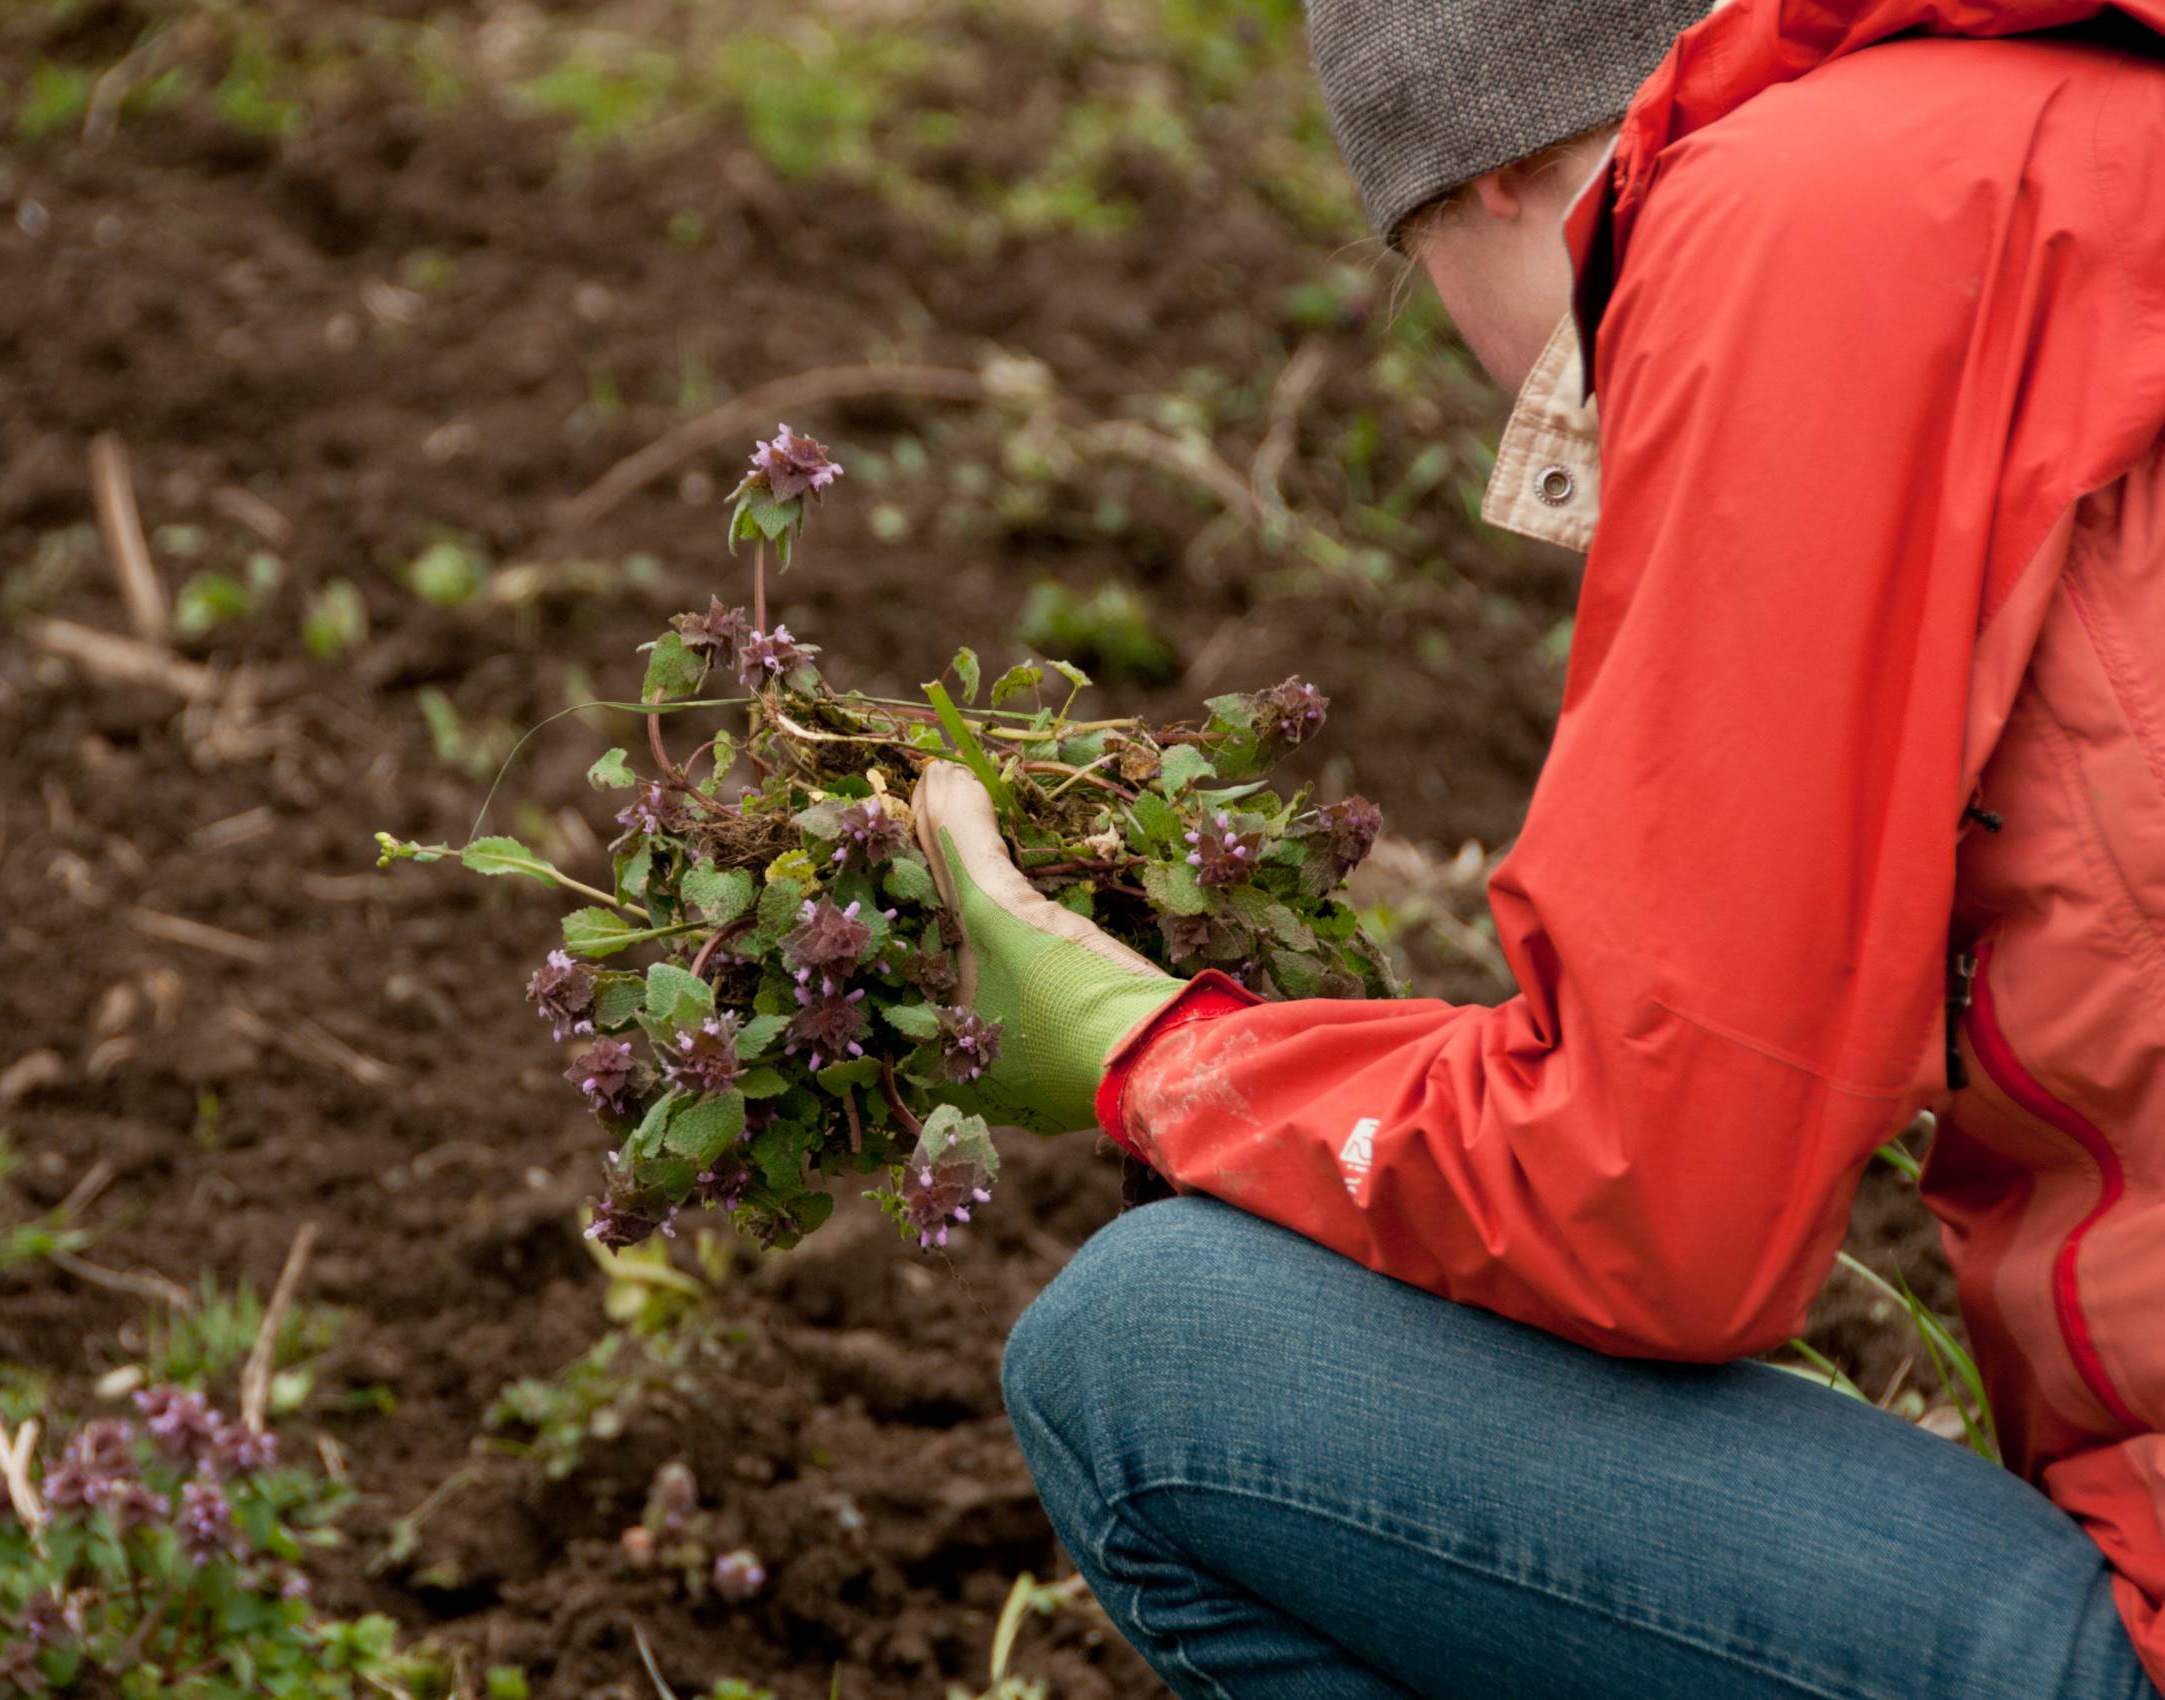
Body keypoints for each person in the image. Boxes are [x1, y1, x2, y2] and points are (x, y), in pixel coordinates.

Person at [909, 0, 2165, 1694]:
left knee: (1157, 1356)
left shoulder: (1812, 223)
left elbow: (1668, 1200)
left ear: (1486, 176)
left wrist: (1171, 1057)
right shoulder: (2086, 118)